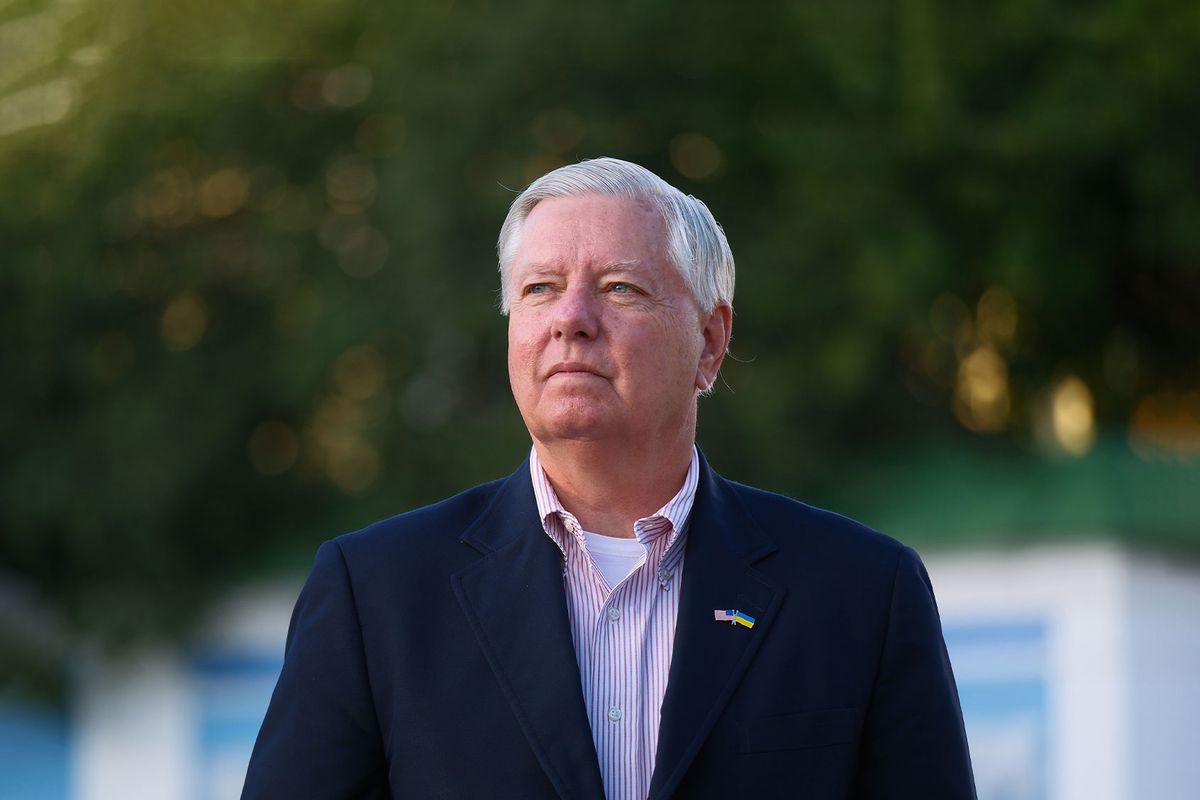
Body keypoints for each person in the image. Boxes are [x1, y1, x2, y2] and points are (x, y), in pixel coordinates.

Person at [242, 157, 976, 799]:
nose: (571, 319)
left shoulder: (860, 594)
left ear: (710, 341)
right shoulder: (377, 595)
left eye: (620, 288)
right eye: (539, 289)